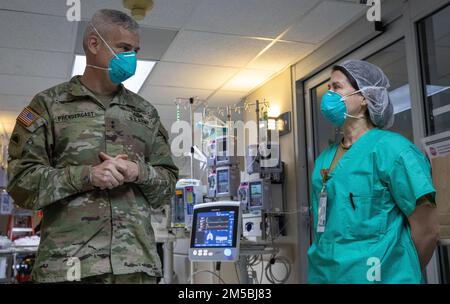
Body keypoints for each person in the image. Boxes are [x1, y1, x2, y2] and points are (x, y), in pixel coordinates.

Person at [7, 9, 179, 284]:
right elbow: (20, 183)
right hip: (68, 267)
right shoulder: (49, 106)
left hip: (134, 267)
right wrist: (87, 175)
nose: (131, 58)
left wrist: (138, 172)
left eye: (135, 50)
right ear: (94, 43)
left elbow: (168, 184)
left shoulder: (145, 113)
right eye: (124, 48)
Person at [307, 59, 439, 284]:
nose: (329, 95)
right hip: (326, 274)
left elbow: (427, 228)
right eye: (329, 88)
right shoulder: (324, 160)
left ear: (365, 98)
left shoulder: (394, 151)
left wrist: (399, 270)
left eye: (337, 87)